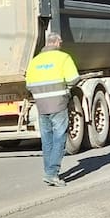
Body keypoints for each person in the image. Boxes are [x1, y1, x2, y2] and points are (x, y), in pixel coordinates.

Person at [25, 31, 79, 186]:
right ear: (56, 42)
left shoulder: (35, 61)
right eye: (60, 43)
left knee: (47, 139)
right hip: (58, 104)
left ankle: (48, 171)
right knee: (59, 137)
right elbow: (73, 79)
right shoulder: (63, 57)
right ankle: (52, 173)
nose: (61, 45)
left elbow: (29, 85)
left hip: (41, 105)